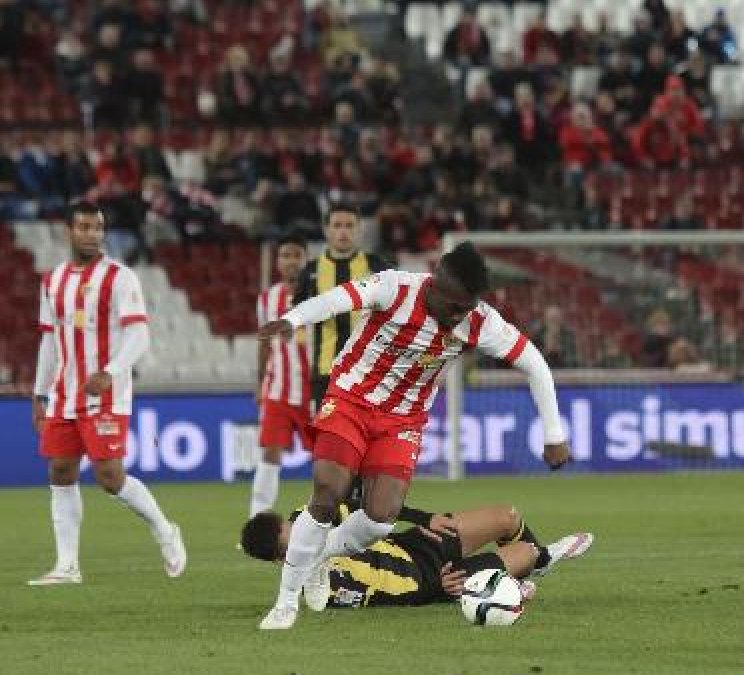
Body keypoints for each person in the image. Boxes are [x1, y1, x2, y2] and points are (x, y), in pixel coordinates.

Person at [256, 243, 572, 629]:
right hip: (351, 397)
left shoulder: (479, 322)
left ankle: (319, 559)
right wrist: (292, 320)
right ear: (435, 282)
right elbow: (338, 299)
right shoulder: (395, 288)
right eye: (454, 305)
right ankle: (286, 601)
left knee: (381, 517)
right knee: (328, 489)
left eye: (466, 308)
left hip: (403, 419)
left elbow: (535, 365)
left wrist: (553, 433)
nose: (458, 316)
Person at [29, 203, 186, 586]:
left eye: (97, 227)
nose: (92, 234)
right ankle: (67, 566)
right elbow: (50, 339)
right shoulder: (52, 281)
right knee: (60, 471)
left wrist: (110, 372)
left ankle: (165, 530)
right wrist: (39, 393)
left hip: (106, 394)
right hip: (64, 393)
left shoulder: (120, 277)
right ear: (68, 230)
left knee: (109, 476)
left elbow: (140, 335)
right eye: (83, 227)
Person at [241, 499, 594, 610]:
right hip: (428, 580)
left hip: (414, 545)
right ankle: (524, 569)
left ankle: (537, 566)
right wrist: (438, 590)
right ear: (280, 559)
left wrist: (424, 520)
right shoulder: (322, 589)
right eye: (292, 546)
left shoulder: (314, 512)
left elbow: (375, 506)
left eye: (295, 529)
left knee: (507, 517)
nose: (304, 538)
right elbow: (391, 600)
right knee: (525, 551)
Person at [293, 206, 388, 412]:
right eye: (337, 225)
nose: (343, 232)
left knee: (365, 440)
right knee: (327, 440)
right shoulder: (311, 271)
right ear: (326, 230)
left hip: (368, 372)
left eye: (349, 226)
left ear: (359, 230)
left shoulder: (376, 266)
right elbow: (298, 314)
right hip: (325, 373)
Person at [250, 231, 312, 517]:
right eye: (285, 256)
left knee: (327, 459)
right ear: (277, 262)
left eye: (296, 255)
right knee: (270, 452)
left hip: (314, 391)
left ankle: (329, 517)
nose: (291, 262)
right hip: (279, 390)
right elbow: (264, 344)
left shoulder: (320, 294)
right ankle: (258, 517)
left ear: (306, 259)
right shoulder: (267, 299)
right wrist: (260, 380)